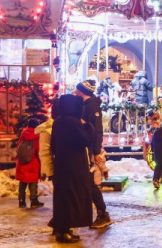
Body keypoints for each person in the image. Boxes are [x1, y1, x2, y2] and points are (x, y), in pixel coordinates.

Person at [51, 94, 94, 243]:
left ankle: (61, 229)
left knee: (62, 198)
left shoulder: (57, 122)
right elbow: (86, 140)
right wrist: (87, 125)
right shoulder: (74, 123)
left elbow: (53, 146)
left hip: (62, 165)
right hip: (74, 167)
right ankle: (65, 231)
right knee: (72, 197)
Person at [74, 79, 111, 229]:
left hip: (89, 151)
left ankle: (102, 213)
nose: (75, 93)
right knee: (86, 183)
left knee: (89, 183)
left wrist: (96, 150)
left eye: (77, 90)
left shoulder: (91, 106)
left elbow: (96, 131)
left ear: (81, 91)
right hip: (85, 150)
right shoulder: (85, 105)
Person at [16, 117, 44, 209]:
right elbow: (38, 150)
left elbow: (19, 147)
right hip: (33, 161)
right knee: (33, 182)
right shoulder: (37, 135)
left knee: (23, 182)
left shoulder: (23, 134)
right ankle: (33, 200)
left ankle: (21, 201)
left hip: (22, 161)